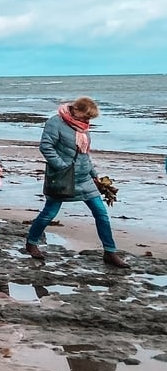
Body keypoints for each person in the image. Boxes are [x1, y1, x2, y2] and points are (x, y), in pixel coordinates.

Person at [24, 97, 129, 268]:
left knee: (101, 213)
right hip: (62, 178)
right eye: (86, 117)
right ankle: (31, 242)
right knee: (49, 213)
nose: (87, 121)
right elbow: (46, 147)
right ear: (76, 110)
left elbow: (85, 154)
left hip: (84, 177)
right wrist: (62, 165)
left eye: (90, 119)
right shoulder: (55, 122)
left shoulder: (83, 127)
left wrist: (95, 175)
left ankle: (110, 252)